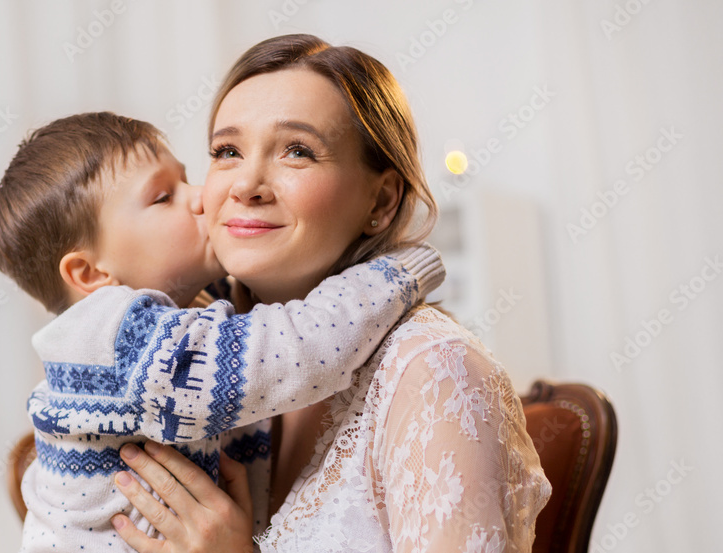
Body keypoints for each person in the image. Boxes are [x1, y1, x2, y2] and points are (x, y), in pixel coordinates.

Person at [110, 34, 552, 553]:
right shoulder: (183, 359)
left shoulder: (436, 372)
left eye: (297, 151)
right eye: (227, 151)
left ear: (381, 202)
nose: (246, 185)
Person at [0, 111, 446, 551]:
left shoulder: (150, 326)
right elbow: (294, 349)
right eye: (164, 197)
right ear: (90, 273)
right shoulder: (123, 340)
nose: (201, 196)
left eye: (185, 179)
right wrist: (399, 271)